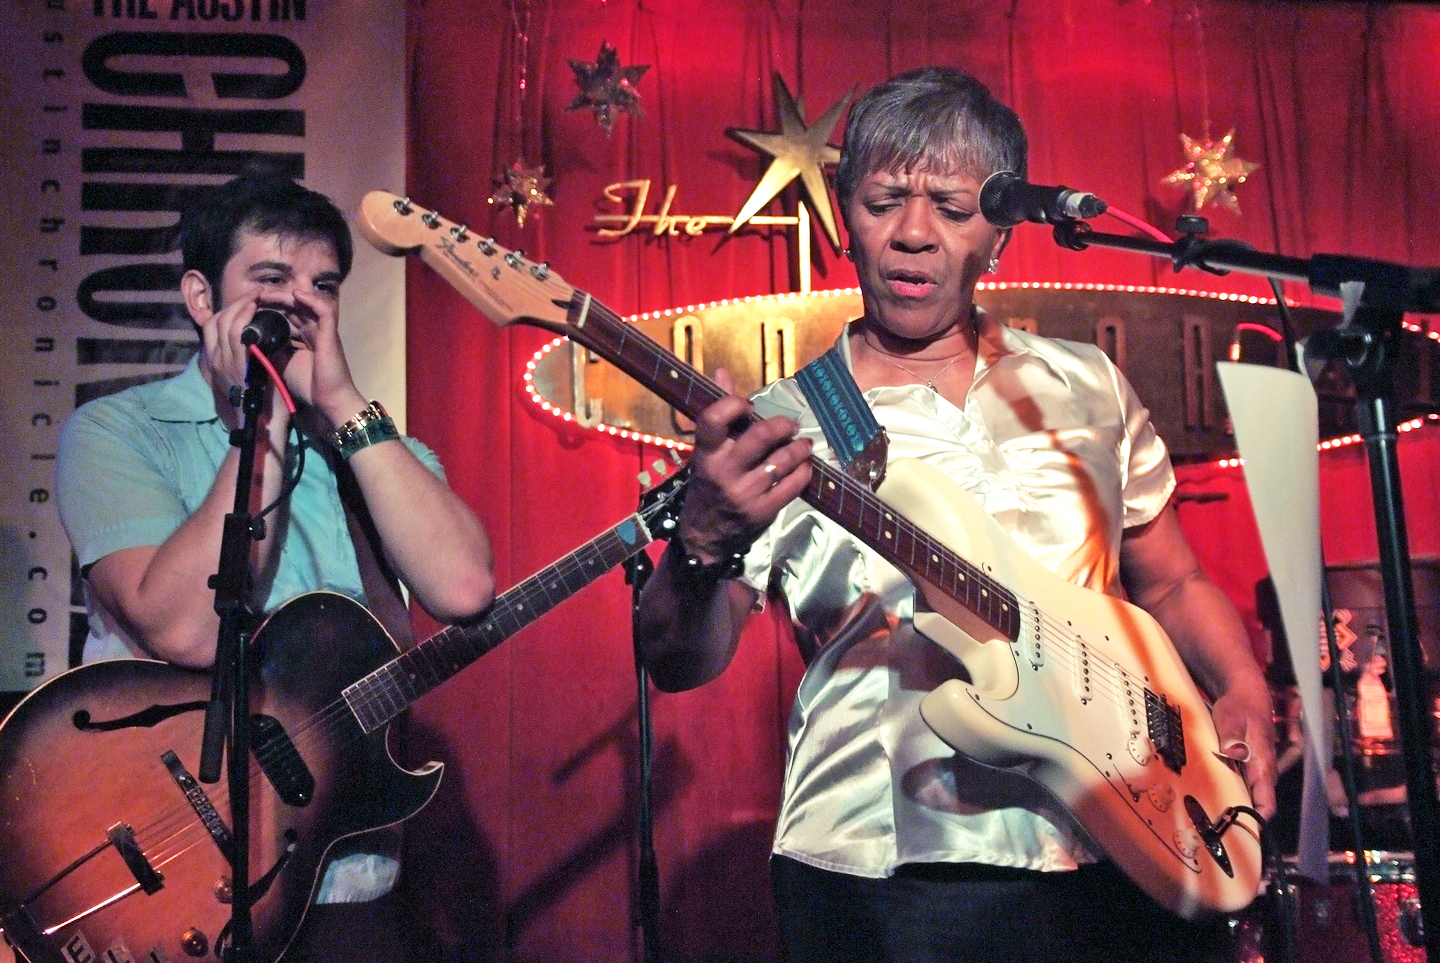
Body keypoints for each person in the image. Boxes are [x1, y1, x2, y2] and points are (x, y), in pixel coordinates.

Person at [636, 67, 1278, 963]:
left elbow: (1172, 580)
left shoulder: (1086, 383)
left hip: (1135, 832)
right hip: (888, 864)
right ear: (843, 216)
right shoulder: (784, 425)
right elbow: (680, 661)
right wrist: (699, 545)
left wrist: (1242, 687)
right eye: (884, 199)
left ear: (1001, 233)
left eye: (950, 205)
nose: (912, 233)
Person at [55, 174, 495, 960]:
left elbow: (462, 588)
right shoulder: (119, 431)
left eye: (321, 286)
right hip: (162, 875)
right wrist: (260, 423)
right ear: (201, 297)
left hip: (340, 882)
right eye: (271, 281)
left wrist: (345, 403)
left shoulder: (372, 449)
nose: (301, 306)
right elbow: (183, 627)